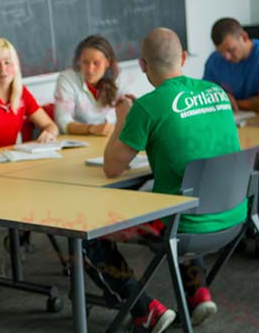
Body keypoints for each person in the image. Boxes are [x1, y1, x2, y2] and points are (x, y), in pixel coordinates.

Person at [97, 28, 243, 332]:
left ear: (142, 65)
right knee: (184, 196)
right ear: (184, 58)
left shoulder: (147, 106)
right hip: (234, 214)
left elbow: (112, 167)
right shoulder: (217, 93)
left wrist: (125, 117)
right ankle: (198, 293)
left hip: (185, 227)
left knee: (92, 236)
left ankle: (145, 309)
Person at [0, 37, 59, 163]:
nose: (3, 70)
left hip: (8, 160)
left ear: (16, 65)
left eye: (7, 62)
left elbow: (50, 125)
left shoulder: (22, 93)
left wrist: (50, 132)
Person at [203, 17, 259, 113]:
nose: (227, 57)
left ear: (244, 37)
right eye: (221, 52)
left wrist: (227, 102)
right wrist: (220, 97)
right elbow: (205, 96)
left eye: (231, 50)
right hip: (235, 118)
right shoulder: (214, 59)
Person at [53, 35, 127, 136]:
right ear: (79, 61)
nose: (90, 70)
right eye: (85, 62)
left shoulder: (117, 78)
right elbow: (63, 121)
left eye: (96, 63)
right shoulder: (67, 79)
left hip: (110, 139)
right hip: (79, 142)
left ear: (107, 63)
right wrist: (91, 129)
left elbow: (127, 115)